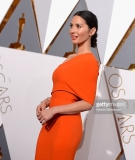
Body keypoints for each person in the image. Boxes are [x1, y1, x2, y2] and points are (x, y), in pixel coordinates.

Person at [35, 10, 99, 160]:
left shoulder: (90, 62)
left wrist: (54, 110)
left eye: (78, 26)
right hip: (50, 122)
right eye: (71, 26)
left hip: (66, 126)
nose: (73, 31)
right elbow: (64, 91)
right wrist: (47, 102)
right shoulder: (70, 58)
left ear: (92, 31)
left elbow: (88, 103)